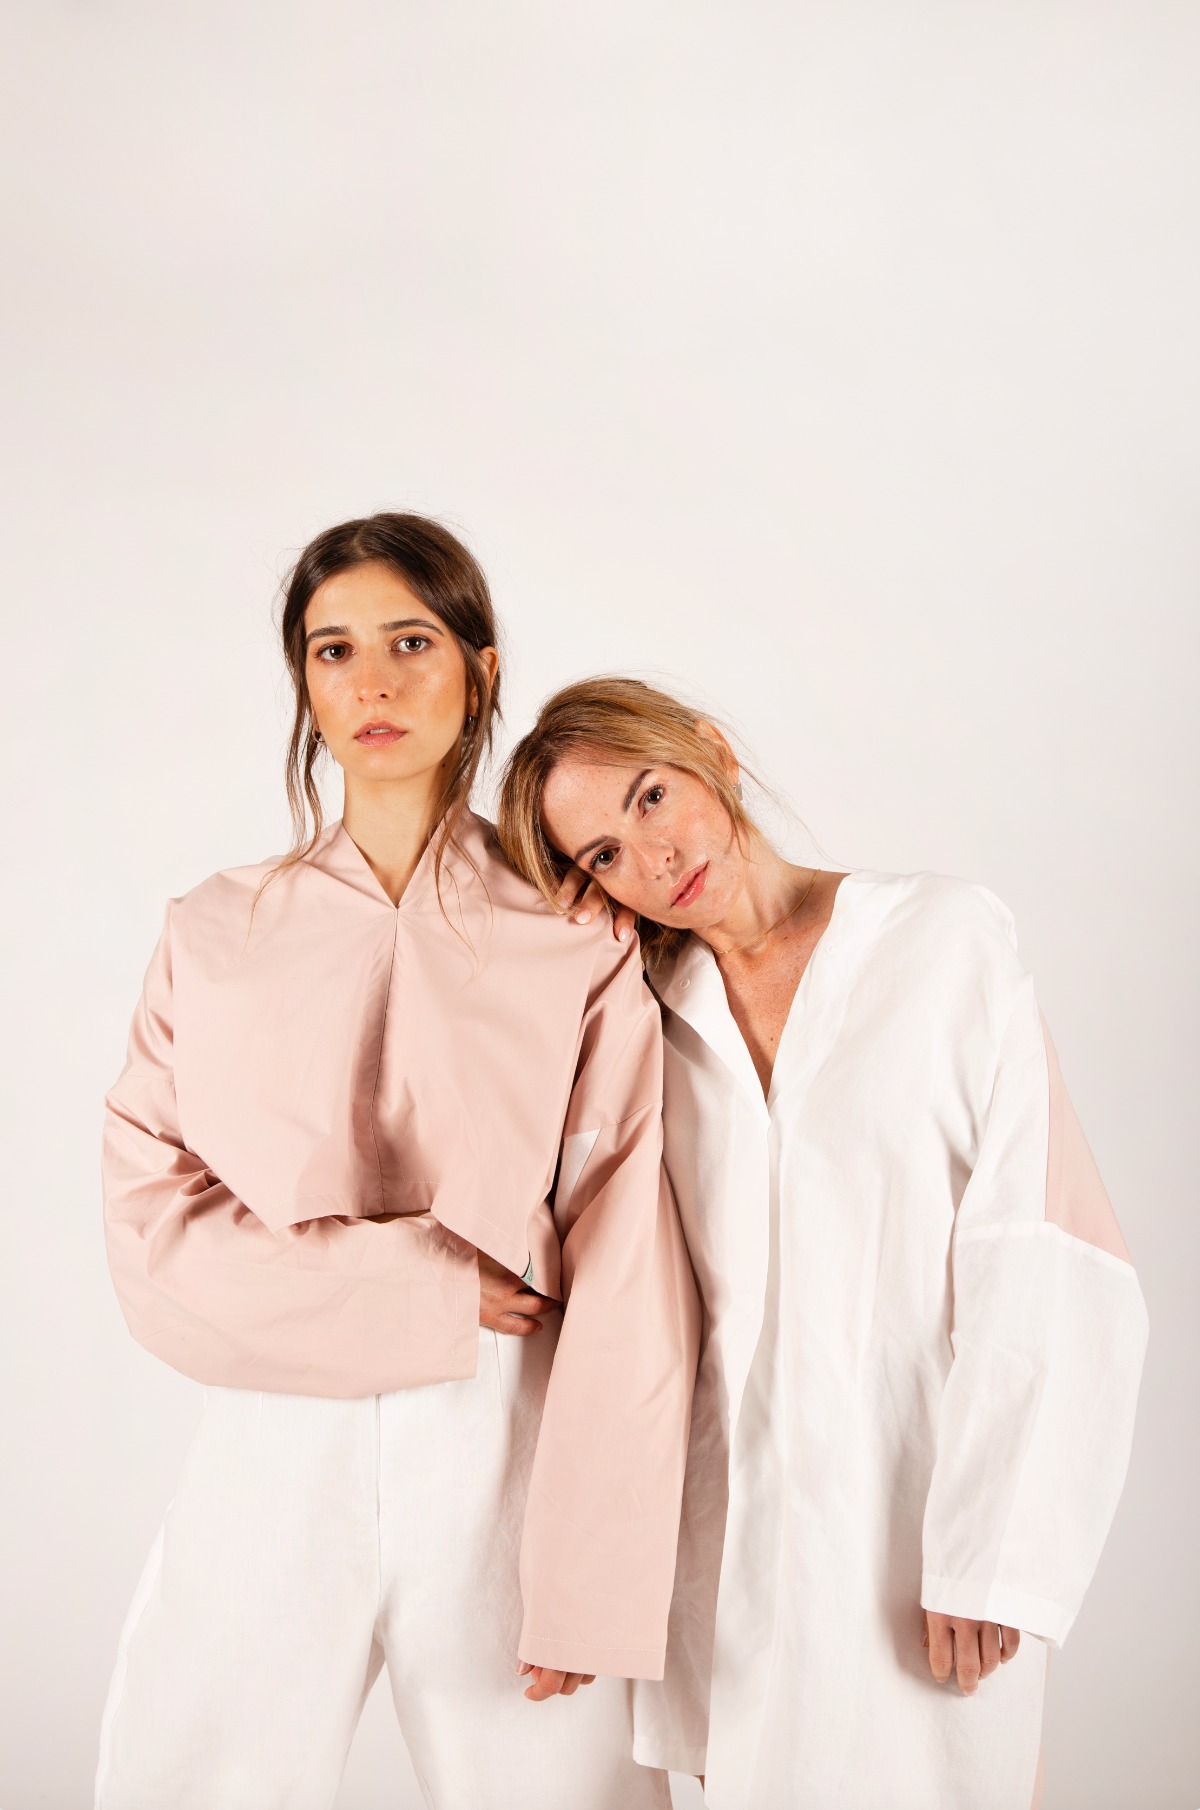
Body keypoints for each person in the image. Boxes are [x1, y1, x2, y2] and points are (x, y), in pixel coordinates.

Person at [96, 523, 698, 1810]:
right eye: (335, 650)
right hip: (273, 1432)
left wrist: (594, 1570)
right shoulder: (212, 931)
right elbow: (150, 1231)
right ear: (304, 684)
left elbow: (629, 1258)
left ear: (481, 671)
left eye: (410, 642)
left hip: (509, 1441)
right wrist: (421, 1286)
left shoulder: (574, 935)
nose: (371, 681)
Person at [498, 676, 1149, 1810]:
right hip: (736, 1554)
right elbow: (548, 1234)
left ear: (710, 752)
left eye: (652, 797)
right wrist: (567, 978)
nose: (653, 858)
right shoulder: (644, 1018)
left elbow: (1043, 1249)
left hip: (924, 1530)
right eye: (604, 855)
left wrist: (997, 1545)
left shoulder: (942, 938)